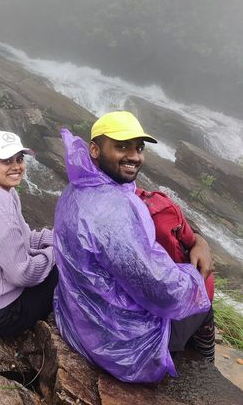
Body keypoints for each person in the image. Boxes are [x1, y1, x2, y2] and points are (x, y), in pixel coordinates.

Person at [53, 111, 214, 383]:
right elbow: (162, 290)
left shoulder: (78, 187)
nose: (134, 156)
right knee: (204, 288)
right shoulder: (111, 212)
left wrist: (199, 239)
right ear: (94, 149)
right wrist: (195, 275)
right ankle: (204, 364)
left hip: (78, 318)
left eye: (138, 148)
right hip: (120, 344)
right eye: (122, 146)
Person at [0, 130, 57, 337]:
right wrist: (56, 254)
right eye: (7, 161)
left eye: (19, 159)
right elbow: (22, 274)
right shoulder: (0, 214)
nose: (17, 166)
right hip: (2, 314)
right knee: (65, 270)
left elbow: (26, 236)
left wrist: (61, 240)